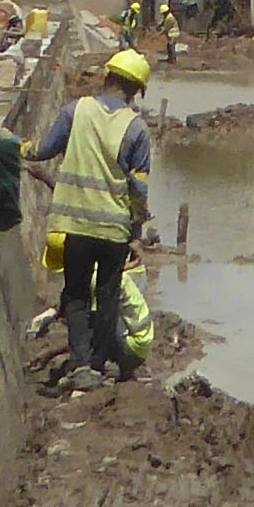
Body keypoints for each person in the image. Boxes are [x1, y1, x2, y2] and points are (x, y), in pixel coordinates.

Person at [25, 48, 155, 384]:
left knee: (77, 294)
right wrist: (136, 232)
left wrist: (16, 146)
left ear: (107, 77)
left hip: (75, 226)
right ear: (136, 90)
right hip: (114, 229)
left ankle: (81, 365)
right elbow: (139, 192)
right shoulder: (137, 129)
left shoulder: (76, 111)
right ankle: (98, 365)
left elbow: (42, 150)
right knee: (108, 296)